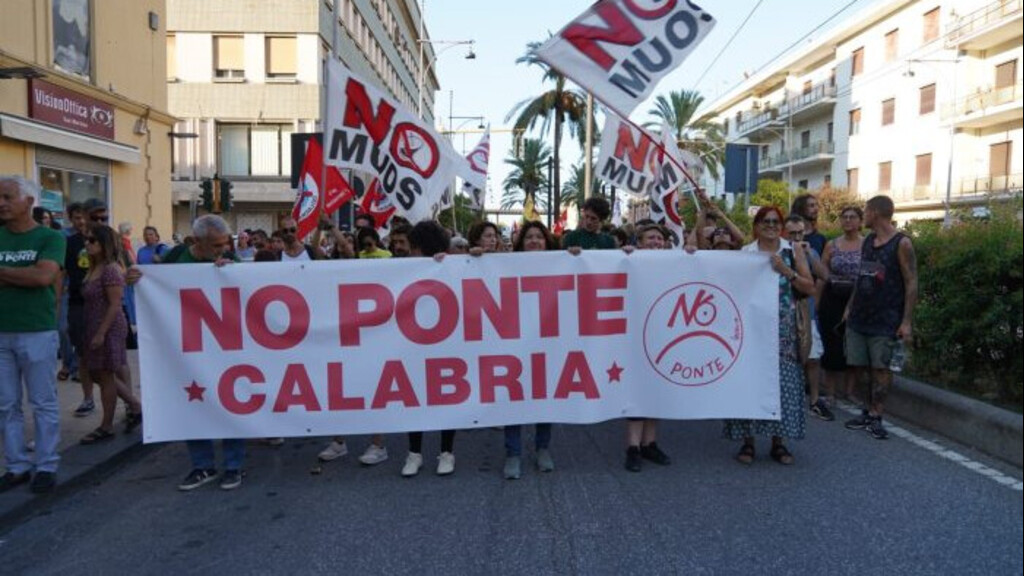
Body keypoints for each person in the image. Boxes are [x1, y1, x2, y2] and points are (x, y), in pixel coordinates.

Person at [148, 215, 247, 490]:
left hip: (226, 345)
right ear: (197, 241)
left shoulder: (231, 261)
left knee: (232, 402)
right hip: (188, 347)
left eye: (225, 244)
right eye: (216, 245)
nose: (222, 250)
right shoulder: (176, 258)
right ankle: (202, 466)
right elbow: (154, 284)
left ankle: (233, 465)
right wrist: (138, 278)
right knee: (192, 404)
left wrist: (230, 272)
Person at [724, 206, 814, 465]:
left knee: (782, 383)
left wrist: (788, 272)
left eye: (776, 221)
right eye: (766, 221)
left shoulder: (793, 251)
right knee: (750, 381)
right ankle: (748, 441)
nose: (772, 225)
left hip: (784, 328)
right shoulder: (745, 254)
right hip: (751, 327)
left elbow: (809, 287)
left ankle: (779, 442)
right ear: (756, 225)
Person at [0, 175, 66, 494]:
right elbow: (33, 274)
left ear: (28, 201)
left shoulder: (50, 238)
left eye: (7, 197)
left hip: (37, 330)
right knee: (6, 403)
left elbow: (43, 277)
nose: (1, 203)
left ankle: (46, 464)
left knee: (43, 401)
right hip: (2, 332)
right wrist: (20, 276)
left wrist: (6, 275)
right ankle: (15, 466)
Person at [843, 196, 917, 440]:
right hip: (860, 316)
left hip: (886, 319)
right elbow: (864, 275)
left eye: (865, 211)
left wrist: (906, 321)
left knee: (881, 368)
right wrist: (850, 305)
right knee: (860, 366)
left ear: (875, 212)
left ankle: (877, 415)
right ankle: (866, 410)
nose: (863, 215)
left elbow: (911, 283)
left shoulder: (902, 243)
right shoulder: (868, 242)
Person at [500, 221, 559, 479]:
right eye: (529, 237)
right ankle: (513, 454)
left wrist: (580, 258)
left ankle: (542, 449)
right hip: (513, 342)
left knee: (544, 398)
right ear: (521, 243)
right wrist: (475, 256)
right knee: (513, 398)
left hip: (547, 343)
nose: (534, 241)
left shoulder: (562, 264)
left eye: (539, 237)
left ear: (547, 242)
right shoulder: (503, 266)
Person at [401, 220, 457, 477]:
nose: (409, 251)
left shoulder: (451, 266)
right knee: (416, 398)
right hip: (414, 341)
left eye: (413, 247)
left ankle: (446, 452)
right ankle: (415, 454)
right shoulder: (402, 269)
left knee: (446, 396)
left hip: (446, 341)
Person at [78, 225, 142, 443]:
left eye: (92, 240)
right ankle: (134, 405)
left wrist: (101, 333)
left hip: (108, 326)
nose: (87, 244)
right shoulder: (94, 268)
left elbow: (115, 304)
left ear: (104, 244)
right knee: (97, 373)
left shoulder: (110, 269)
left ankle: (106, 426)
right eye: (87, 240)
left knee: (105, 374)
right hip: (93, 325)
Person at [622, 224, 675, 472]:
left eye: (660, 238)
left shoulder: (676, 263)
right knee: (638, 389)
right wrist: (624, 254)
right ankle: (633, 447)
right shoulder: (629, 259)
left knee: (657, 388)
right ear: (640, 242)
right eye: (650, 238)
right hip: (634, 334)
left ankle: (649, 443)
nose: (656, 241)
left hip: (664, 335)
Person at [817, 206, 864, 416]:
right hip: (832, 298)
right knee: (831, 344)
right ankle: (830, 392)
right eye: (844, 217)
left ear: (860, 221)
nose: (848, 221)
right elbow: (821, 272)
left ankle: (851, 391)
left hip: (859, 300)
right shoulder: (831, 244)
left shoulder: (867, 244)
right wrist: (816, 304)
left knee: (854, 345)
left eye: (852, 217)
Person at [783, 215, 827, 418]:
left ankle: (815, 399)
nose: (797, 236)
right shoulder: (778, 251)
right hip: (783, 313)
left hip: (806, 312)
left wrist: (809, 254)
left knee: (813, 356)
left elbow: (824, 276)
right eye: (792, 233)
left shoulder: (810, 250)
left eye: (800, 232)